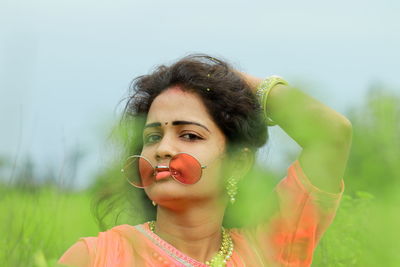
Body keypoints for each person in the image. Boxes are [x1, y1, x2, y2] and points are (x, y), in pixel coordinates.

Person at [57, 54, 352, 267]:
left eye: (189, 135)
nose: (163, 149)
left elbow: (332, 135)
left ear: (237, 163)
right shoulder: (97, 257)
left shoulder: (268, 251)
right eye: (152, 137)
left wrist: (236, 84)